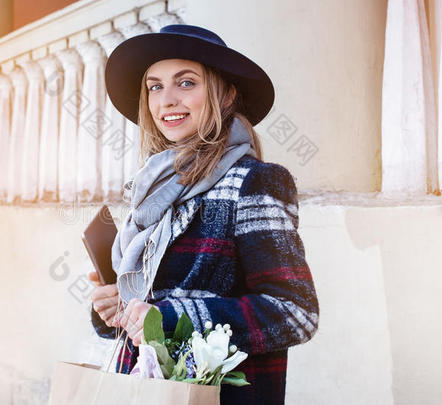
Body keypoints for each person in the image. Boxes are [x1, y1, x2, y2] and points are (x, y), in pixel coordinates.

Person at [88, 24, 319, 405]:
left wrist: (173, 317)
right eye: (155, 86)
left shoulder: (255, 183)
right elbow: (150, 314)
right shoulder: (155, 188)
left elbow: (295, 312)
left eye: (187, 83)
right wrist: (119, 309)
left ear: (226, 94)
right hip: (145, 391)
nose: (167, 100)